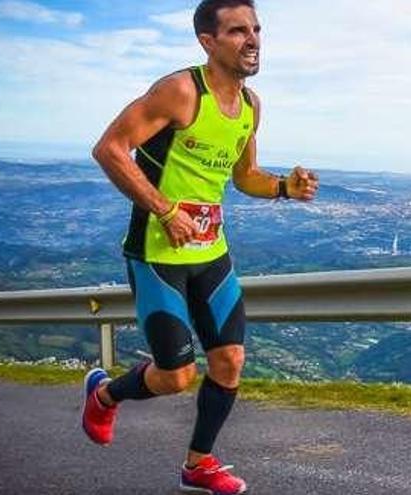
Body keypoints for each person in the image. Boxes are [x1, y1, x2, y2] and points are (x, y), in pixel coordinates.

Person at [82, 1, 318, 493]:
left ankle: (199, 464)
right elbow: (109, 149)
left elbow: (244, 176)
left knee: (230, 361)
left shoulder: (252, 106)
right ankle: (104, 396)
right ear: (208, 43)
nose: (252, 39)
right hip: (157, 255)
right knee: (176, 377)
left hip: (211, 254)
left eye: (256, 29)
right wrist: (166, 211)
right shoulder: (181, 91)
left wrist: (282, 189)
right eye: (237, 31)